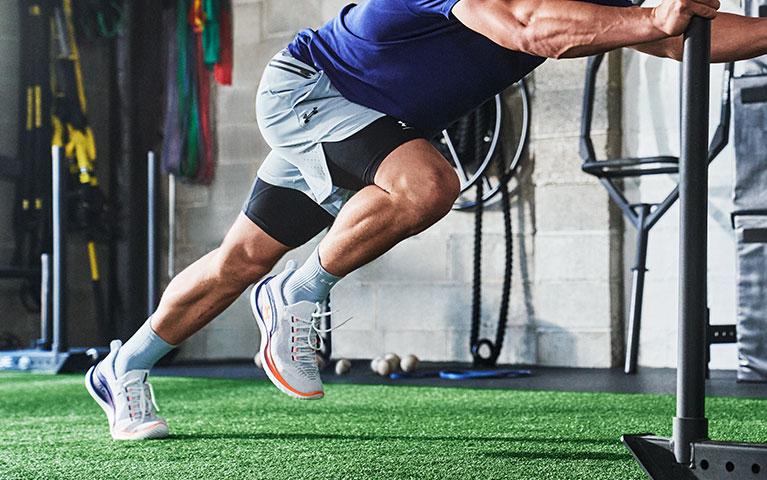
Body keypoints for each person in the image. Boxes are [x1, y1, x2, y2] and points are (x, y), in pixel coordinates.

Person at [86, 0, 766, 440]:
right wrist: (651, 21)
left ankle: (124, 366)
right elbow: (530, 30)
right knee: (428, 184)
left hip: (372, 119)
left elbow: (682, 41)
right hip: (313, 91)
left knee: (241, 258)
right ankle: (298, 293)